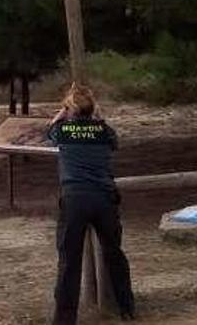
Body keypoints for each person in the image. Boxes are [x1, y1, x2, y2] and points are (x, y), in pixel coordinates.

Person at [47, 84, 135, 323]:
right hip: (104, 197)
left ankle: (65, 319)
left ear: (70, 109)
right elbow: (114, 142)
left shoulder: (62, 130)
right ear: (93, 108)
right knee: (114, 253)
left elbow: (50, 134)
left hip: (75, 198)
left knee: (69, 260)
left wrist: (60, 116)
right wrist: (99, 119)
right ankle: (126, 307)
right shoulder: (104, 131)